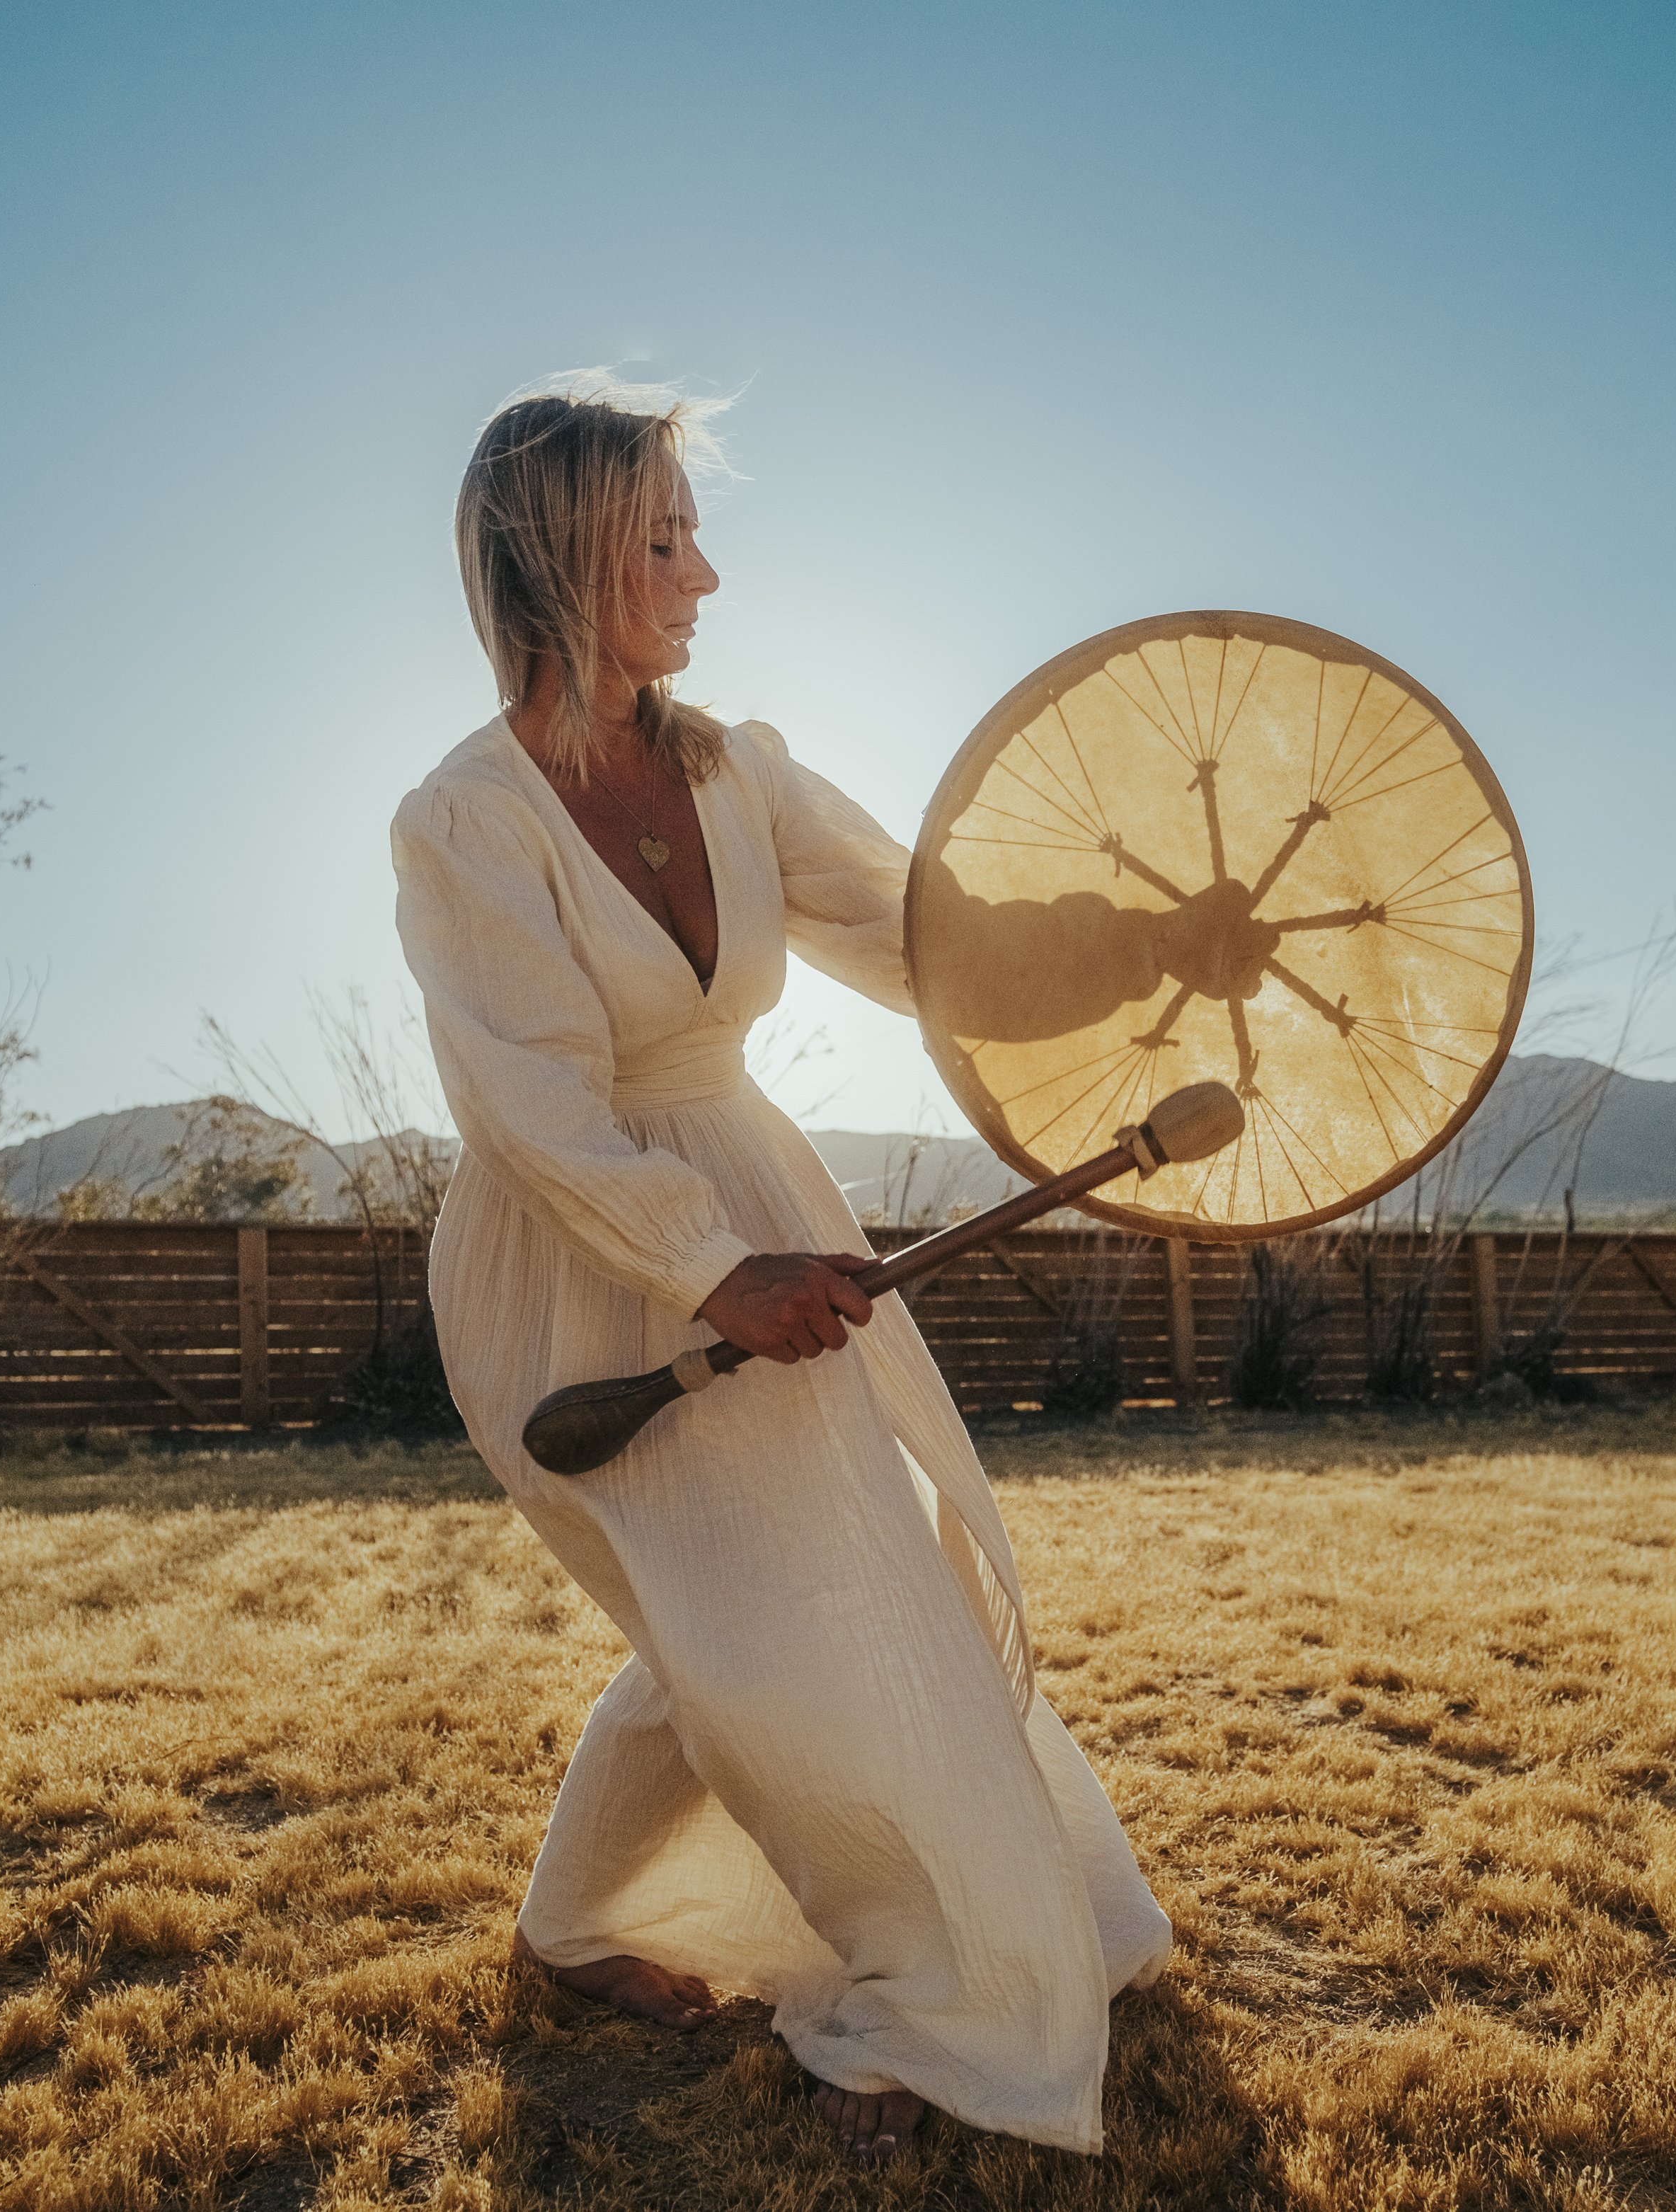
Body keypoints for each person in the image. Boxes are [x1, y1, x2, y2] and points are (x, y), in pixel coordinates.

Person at [391, 380, 1173, 2167]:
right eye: (662, 538)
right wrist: (711, 1275)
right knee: (744, 1617)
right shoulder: (461, 825)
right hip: (574, 1266)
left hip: (756, 1199)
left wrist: (1140, 948)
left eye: (690, 530)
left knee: (746, 1612)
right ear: (555, 556)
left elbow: (924, 936)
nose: (703, 573)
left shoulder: (734, 767)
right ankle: (930, 1987)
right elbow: (532, 1112)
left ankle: (574, 1921)